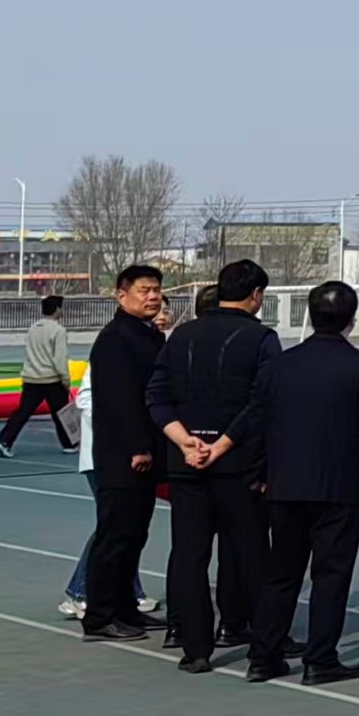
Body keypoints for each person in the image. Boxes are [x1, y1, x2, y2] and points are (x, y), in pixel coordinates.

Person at [231, 282, 359, 685]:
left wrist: (258, 474)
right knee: (330, 576)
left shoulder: (279, 367)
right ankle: (320, 659)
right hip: (339, 487)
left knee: (281, 573)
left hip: (285, 485)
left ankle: (263, 657)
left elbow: (257, 424)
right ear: (351, 319)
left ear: (310, 314)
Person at [147, 260, 281, 672]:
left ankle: (195, 648)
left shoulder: (181, 335)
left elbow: (156, 396)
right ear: (256, 295)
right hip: (239, 465)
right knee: (252, 555)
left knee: (190, 555)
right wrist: (220, 445)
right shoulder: (262, 338)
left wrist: (185, 440)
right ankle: (263, 650)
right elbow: (264, 402)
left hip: (186, 463)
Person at [81, 265, 168, 642]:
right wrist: (137, 447)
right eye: (144, 290)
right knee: (114, 537)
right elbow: (120, 400)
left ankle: (125, 608)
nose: (153, 297)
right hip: (123, 457)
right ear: (121, 295)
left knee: (134, 536)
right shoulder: (116, 338)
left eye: (157, 290)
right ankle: (99, 617)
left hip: (145, 454)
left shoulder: (146, 334)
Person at [60, 355, 152, 620]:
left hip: (124, 456)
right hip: (103, 457)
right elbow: (85, 400)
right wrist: (119, 433)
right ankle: (80, 592)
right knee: (112, 525)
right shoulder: (109, 356)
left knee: (127, 526)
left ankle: (130, 592)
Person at [0, 294, 78, 457]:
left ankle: (4, 440)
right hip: (51, 379)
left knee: (23, 412)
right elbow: (60, 358)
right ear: (57, 309)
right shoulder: (58, 330)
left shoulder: (33, 328)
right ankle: (69, 443)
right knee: (61, 413)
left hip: (32, 377)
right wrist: (66, 378)